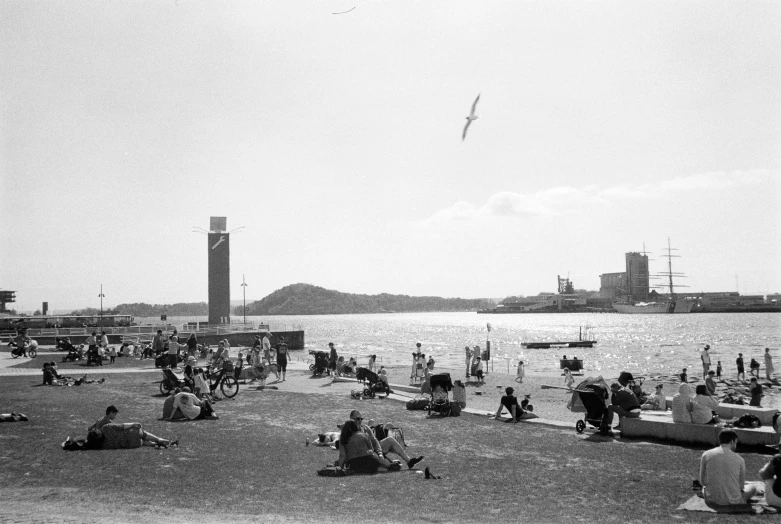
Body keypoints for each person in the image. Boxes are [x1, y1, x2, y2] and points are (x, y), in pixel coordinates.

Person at [63, 405, 172, 451]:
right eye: (114, 414)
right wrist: (134, 423)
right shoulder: (107, 424)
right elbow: (121, 427)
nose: (115, 417)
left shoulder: (100, 421)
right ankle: (158, 440)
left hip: (126, 443)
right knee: (141, 434)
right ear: (111, 413)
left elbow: (89, 428)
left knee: (142, 442)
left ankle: (155, 444)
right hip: (124, 435)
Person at [699, 429, 760, 505]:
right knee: (752, 488)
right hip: (734, 500)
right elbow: (741, 487)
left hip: (711, 498)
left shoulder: (706, 454)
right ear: (732, 442)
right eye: (735, 442)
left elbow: (702, 482)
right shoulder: (740, 459)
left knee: (704, 488)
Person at [348, 410, 423, 469]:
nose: (360, 421)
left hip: (373, 452)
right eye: (358, 419)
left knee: (390, 439)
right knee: (387, 465)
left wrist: (380, 453)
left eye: (361, 419)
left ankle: (409, 461)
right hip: (364, 456)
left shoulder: (365, 428)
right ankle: (389, 463)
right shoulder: (348, 430)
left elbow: (375, 441)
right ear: (352, 419)